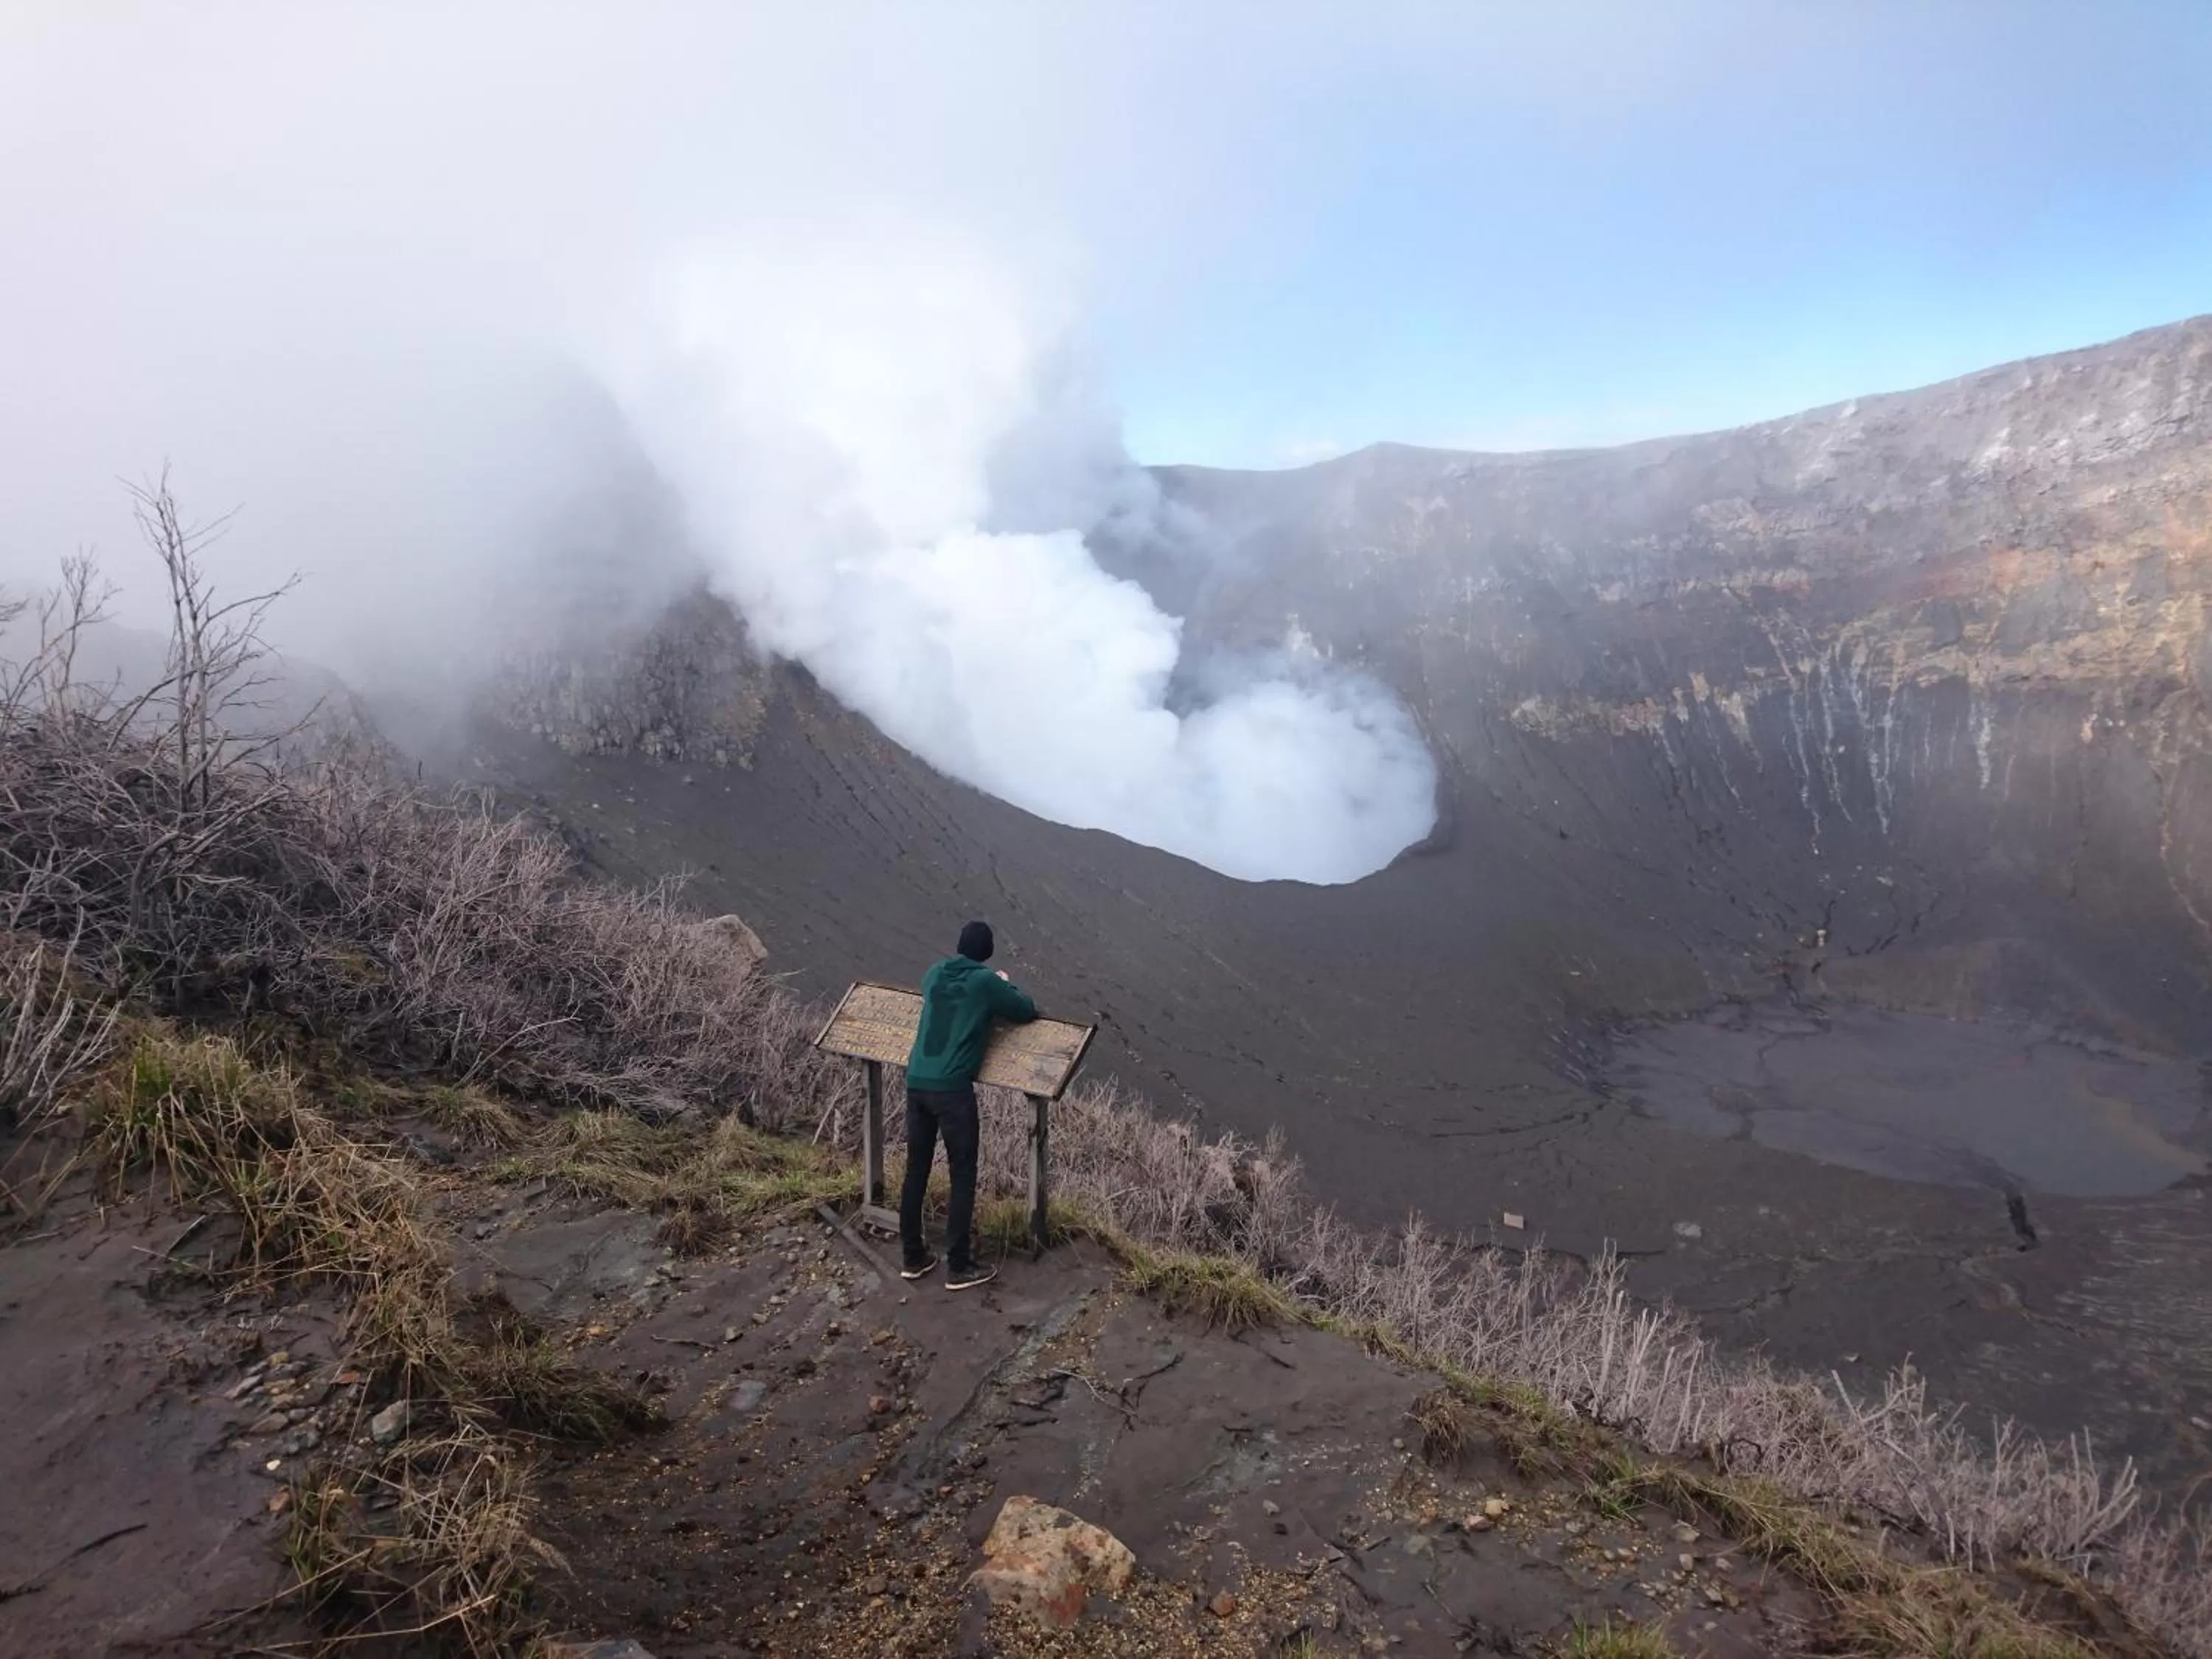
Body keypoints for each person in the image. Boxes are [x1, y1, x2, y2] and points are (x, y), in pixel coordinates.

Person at [900, 919, 1036, 1290]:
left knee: (917, 1170)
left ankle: (913, 1257)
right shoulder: (986, 982)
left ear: (960, 946)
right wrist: (1004, 983)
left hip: (917, 1082)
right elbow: (1025, 1009)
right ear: (987, 952)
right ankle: (958, 1265)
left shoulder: (934, 973)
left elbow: (936, 994)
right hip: (951, 1089)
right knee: (962, 1173)